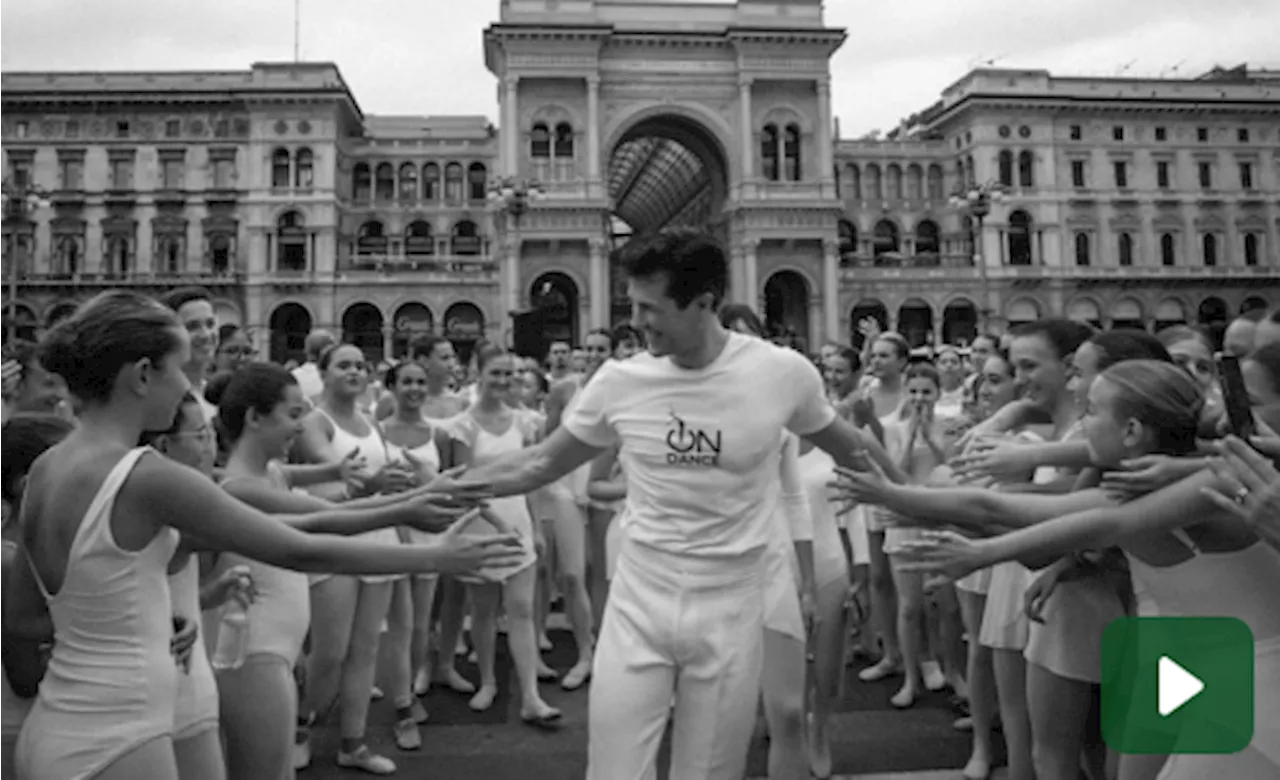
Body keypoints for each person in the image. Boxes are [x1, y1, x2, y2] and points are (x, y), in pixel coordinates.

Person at [439, 229, 901, 780]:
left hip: (731, 607)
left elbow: (848, 446)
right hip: (641, 600)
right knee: (614, 769)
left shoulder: (781, 373)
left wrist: (912, 500)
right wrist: (442, 490)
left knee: (707, 772)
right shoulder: (620, 382)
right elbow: (540, 463)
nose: (636, 322)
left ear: (703, 303)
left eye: (649, 308)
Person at [4, 291, 521, 780]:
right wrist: (439, 558)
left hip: (59, 725)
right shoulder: (145, 475)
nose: (190, 389)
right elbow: (295, 545)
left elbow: (26, 619)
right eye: (180, 371)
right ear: (142, 375)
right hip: (123, 734)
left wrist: (134, 622)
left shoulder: (47, 466)